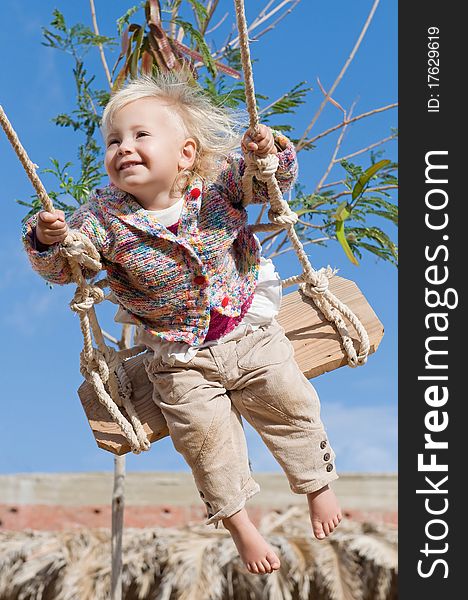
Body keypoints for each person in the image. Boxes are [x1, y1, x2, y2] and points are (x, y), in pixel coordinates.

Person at [22, 70, 342, 575]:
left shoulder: (216, 186)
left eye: (140, 135)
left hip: (246, 327)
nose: (123, 147)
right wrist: (48, 239)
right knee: (203, 441)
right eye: (113, 141)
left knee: (290, 400)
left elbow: (271, 182)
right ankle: (240, 525)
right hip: (178, 356)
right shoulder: (101, 219)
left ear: (186, 154)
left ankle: (316, 486)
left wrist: (269, 152)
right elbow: (68, 267)